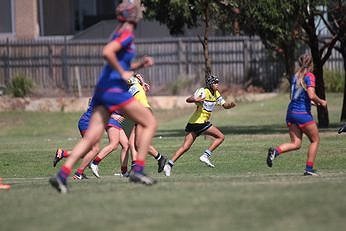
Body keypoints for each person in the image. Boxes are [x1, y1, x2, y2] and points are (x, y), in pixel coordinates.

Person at [49, 0, 157, 193]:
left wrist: (138, 65)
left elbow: (120, 62)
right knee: (149, 122)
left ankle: (62, 175)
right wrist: (123, 74)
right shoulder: (126, 33)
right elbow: (107, 52)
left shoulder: (118, 31)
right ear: (132, 15)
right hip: (114, 90)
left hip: (102, 89)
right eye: (137, 11)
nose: (140, 13)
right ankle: (138, 170)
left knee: (90, 139)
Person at [266, 53, 327, 176]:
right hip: (302, 114)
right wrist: (321, 101)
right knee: (315, 140)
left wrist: (311, 103)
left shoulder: (296, 76)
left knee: (296, 143)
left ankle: (275, 152)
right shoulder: (309, 76)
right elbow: (311, 95)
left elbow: (295, 96)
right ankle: (309, 169)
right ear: (311, 64)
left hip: (291, 113)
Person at [163, 74, 236, 176]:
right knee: (220, 137)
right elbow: (188, 99)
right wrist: (195, 99)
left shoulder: (216, 93)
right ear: (210, 83)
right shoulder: (203, 91)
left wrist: (230, 105)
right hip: (200, 122)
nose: (217, 84)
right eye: (215, 82)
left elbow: (225, 105)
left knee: (185, 147)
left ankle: (169, 165)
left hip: (193, 123)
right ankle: (205, 155)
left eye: (217, 82)